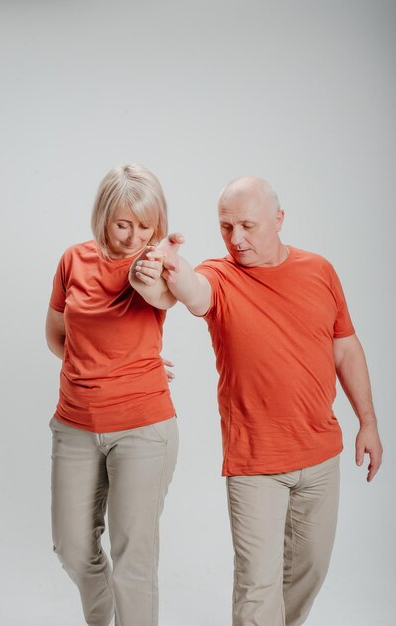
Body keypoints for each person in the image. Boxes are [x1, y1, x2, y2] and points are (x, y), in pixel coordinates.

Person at [130, 176, 383, 626]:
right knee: (256, 587)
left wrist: (368, 421)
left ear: (279, 220)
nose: (236, 239)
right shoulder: (219, 277)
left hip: (321, 455)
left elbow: (345, 346)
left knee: (310, 572)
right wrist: (163, 268)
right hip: (255, 464)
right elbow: (187, 290)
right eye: (226, 227)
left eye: (247, 226)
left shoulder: (320, 270)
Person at [45, 164, 178, 626]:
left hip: (144, 428)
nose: (134, 236)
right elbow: (57, 335)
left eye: (146, 226)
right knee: (72, 547)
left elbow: (161, 295)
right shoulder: (73, 260)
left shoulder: (154, 266)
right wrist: (100, 364)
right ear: (103, 216)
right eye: (124, 224)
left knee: (133, 558)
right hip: (75, 425)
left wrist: (159, 270)